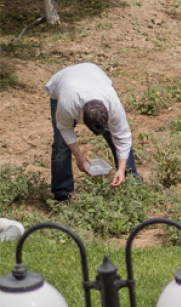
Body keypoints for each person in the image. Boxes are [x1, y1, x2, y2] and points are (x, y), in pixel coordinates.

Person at [45, 62, 139, 202]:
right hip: (62, 84)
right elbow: (65, 128)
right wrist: (78, 156)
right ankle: (62, 194)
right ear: (81, 116)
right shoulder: (67, 103)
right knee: (61, 144)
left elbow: (123, 136)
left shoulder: (113, 104)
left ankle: (131, 181)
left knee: (113, 136)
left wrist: (121, 168)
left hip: (93, 74)